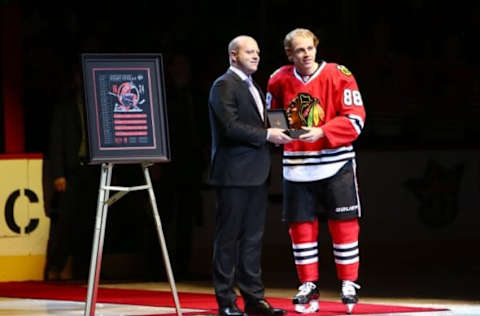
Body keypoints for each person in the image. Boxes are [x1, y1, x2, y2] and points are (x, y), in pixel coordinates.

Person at [266, 28, 366, 314]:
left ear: (316, 48)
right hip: (297, 166)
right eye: (300, 50)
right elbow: (272, 118)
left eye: (310, 48)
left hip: (336, 162)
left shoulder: (339, 74)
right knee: (300, 226)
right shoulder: (278, 79)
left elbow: (356, 120)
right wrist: (279, 133)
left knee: (344, 222)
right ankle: (308, 283)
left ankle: (349, 281)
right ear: (290, 54)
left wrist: (322, 130)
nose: (306, 54)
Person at [208, 35, 291, 316]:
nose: (256, 56)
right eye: (249, 52)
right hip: (233, 175)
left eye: (258, 51)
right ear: (233, 55)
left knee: (253, 239)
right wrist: (268, 133)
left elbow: (259, 123)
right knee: (228, 239)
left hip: (256, 173)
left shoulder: (252, 85)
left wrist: (280, 130)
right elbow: (230, 127)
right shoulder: (223, 85)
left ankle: (254, 298)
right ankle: (226, 301)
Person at [45, 64, 99, 281]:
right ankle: (55, 266)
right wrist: (58, 174)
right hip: (72, 170)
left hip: (93, 169)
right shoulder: (65, 107)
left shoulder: (97, 107)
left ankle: (80, 268)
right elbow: (56, 143)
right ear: (77, 79)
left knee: (90, 223)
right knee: (66, 221)